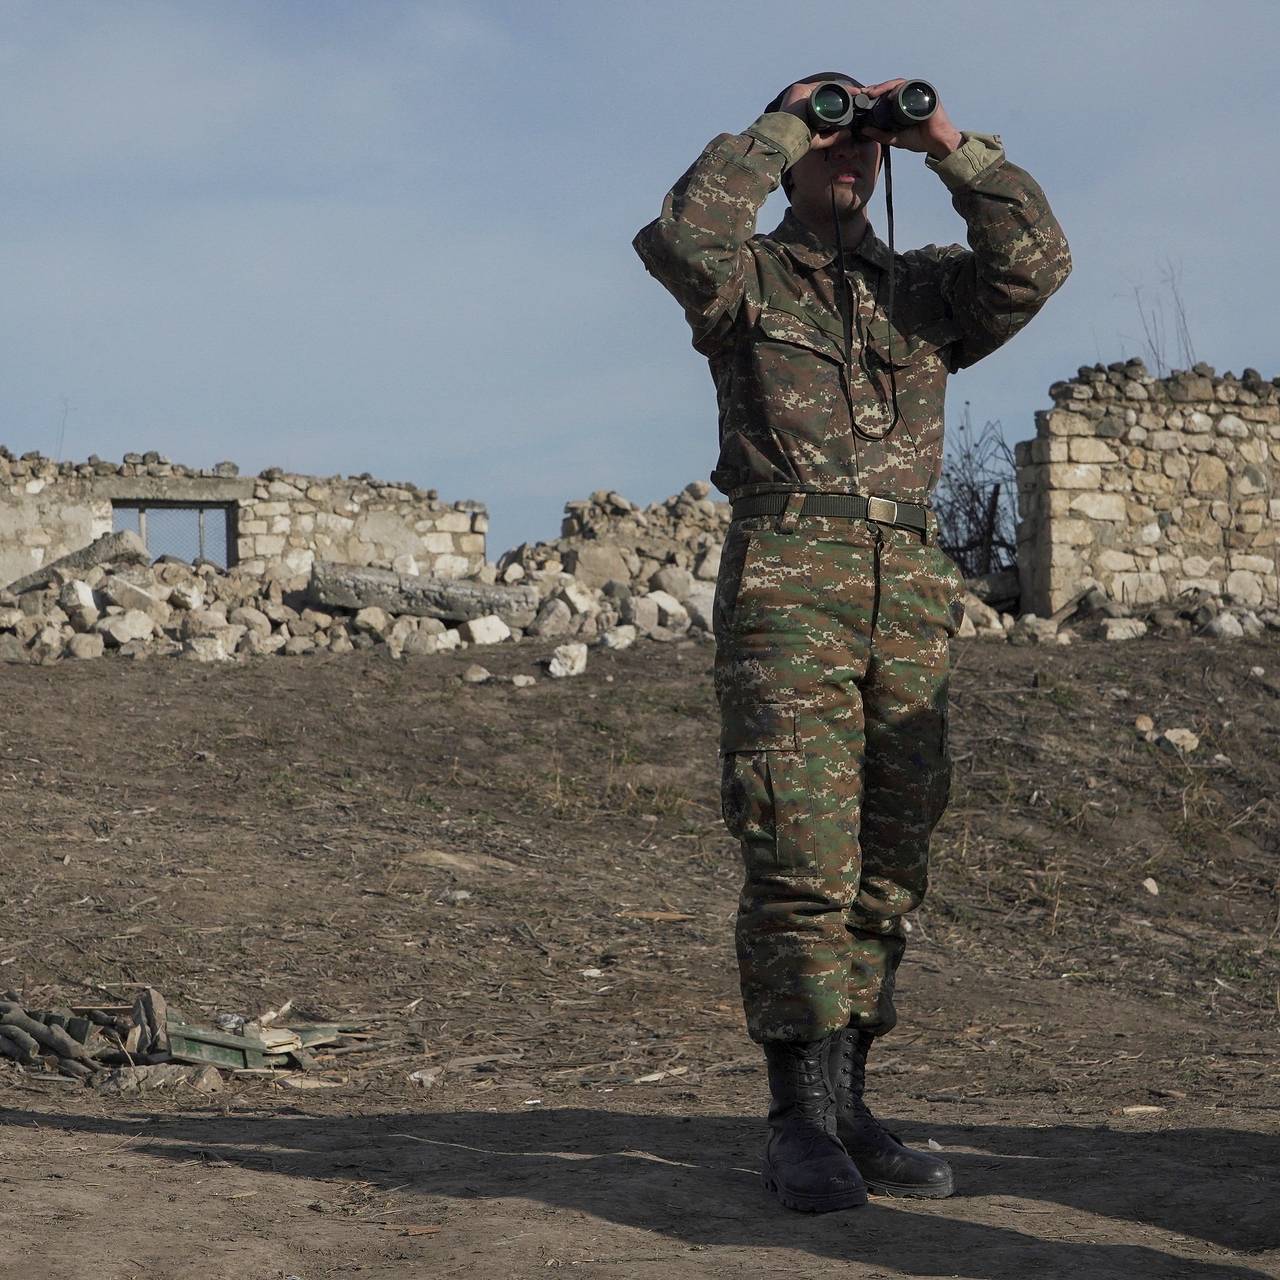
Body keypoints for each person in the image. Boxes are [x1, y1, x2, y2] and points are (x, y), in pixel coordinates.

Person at [633, 73, 1070, 1213]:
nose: (845, 158)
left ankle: (851, 1099)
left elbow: (1034, 262)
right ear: (788, 158)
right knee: (797, 853)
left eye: (857, 147)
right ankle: (797, 1119)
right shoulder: (746, 278)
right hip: (788, 589)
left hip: (908, 599)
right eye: (829, 144)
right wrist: (786, 117)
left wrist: (940, 140)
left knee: (889, 864)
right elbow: (683, 235)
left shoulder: (923, 292)